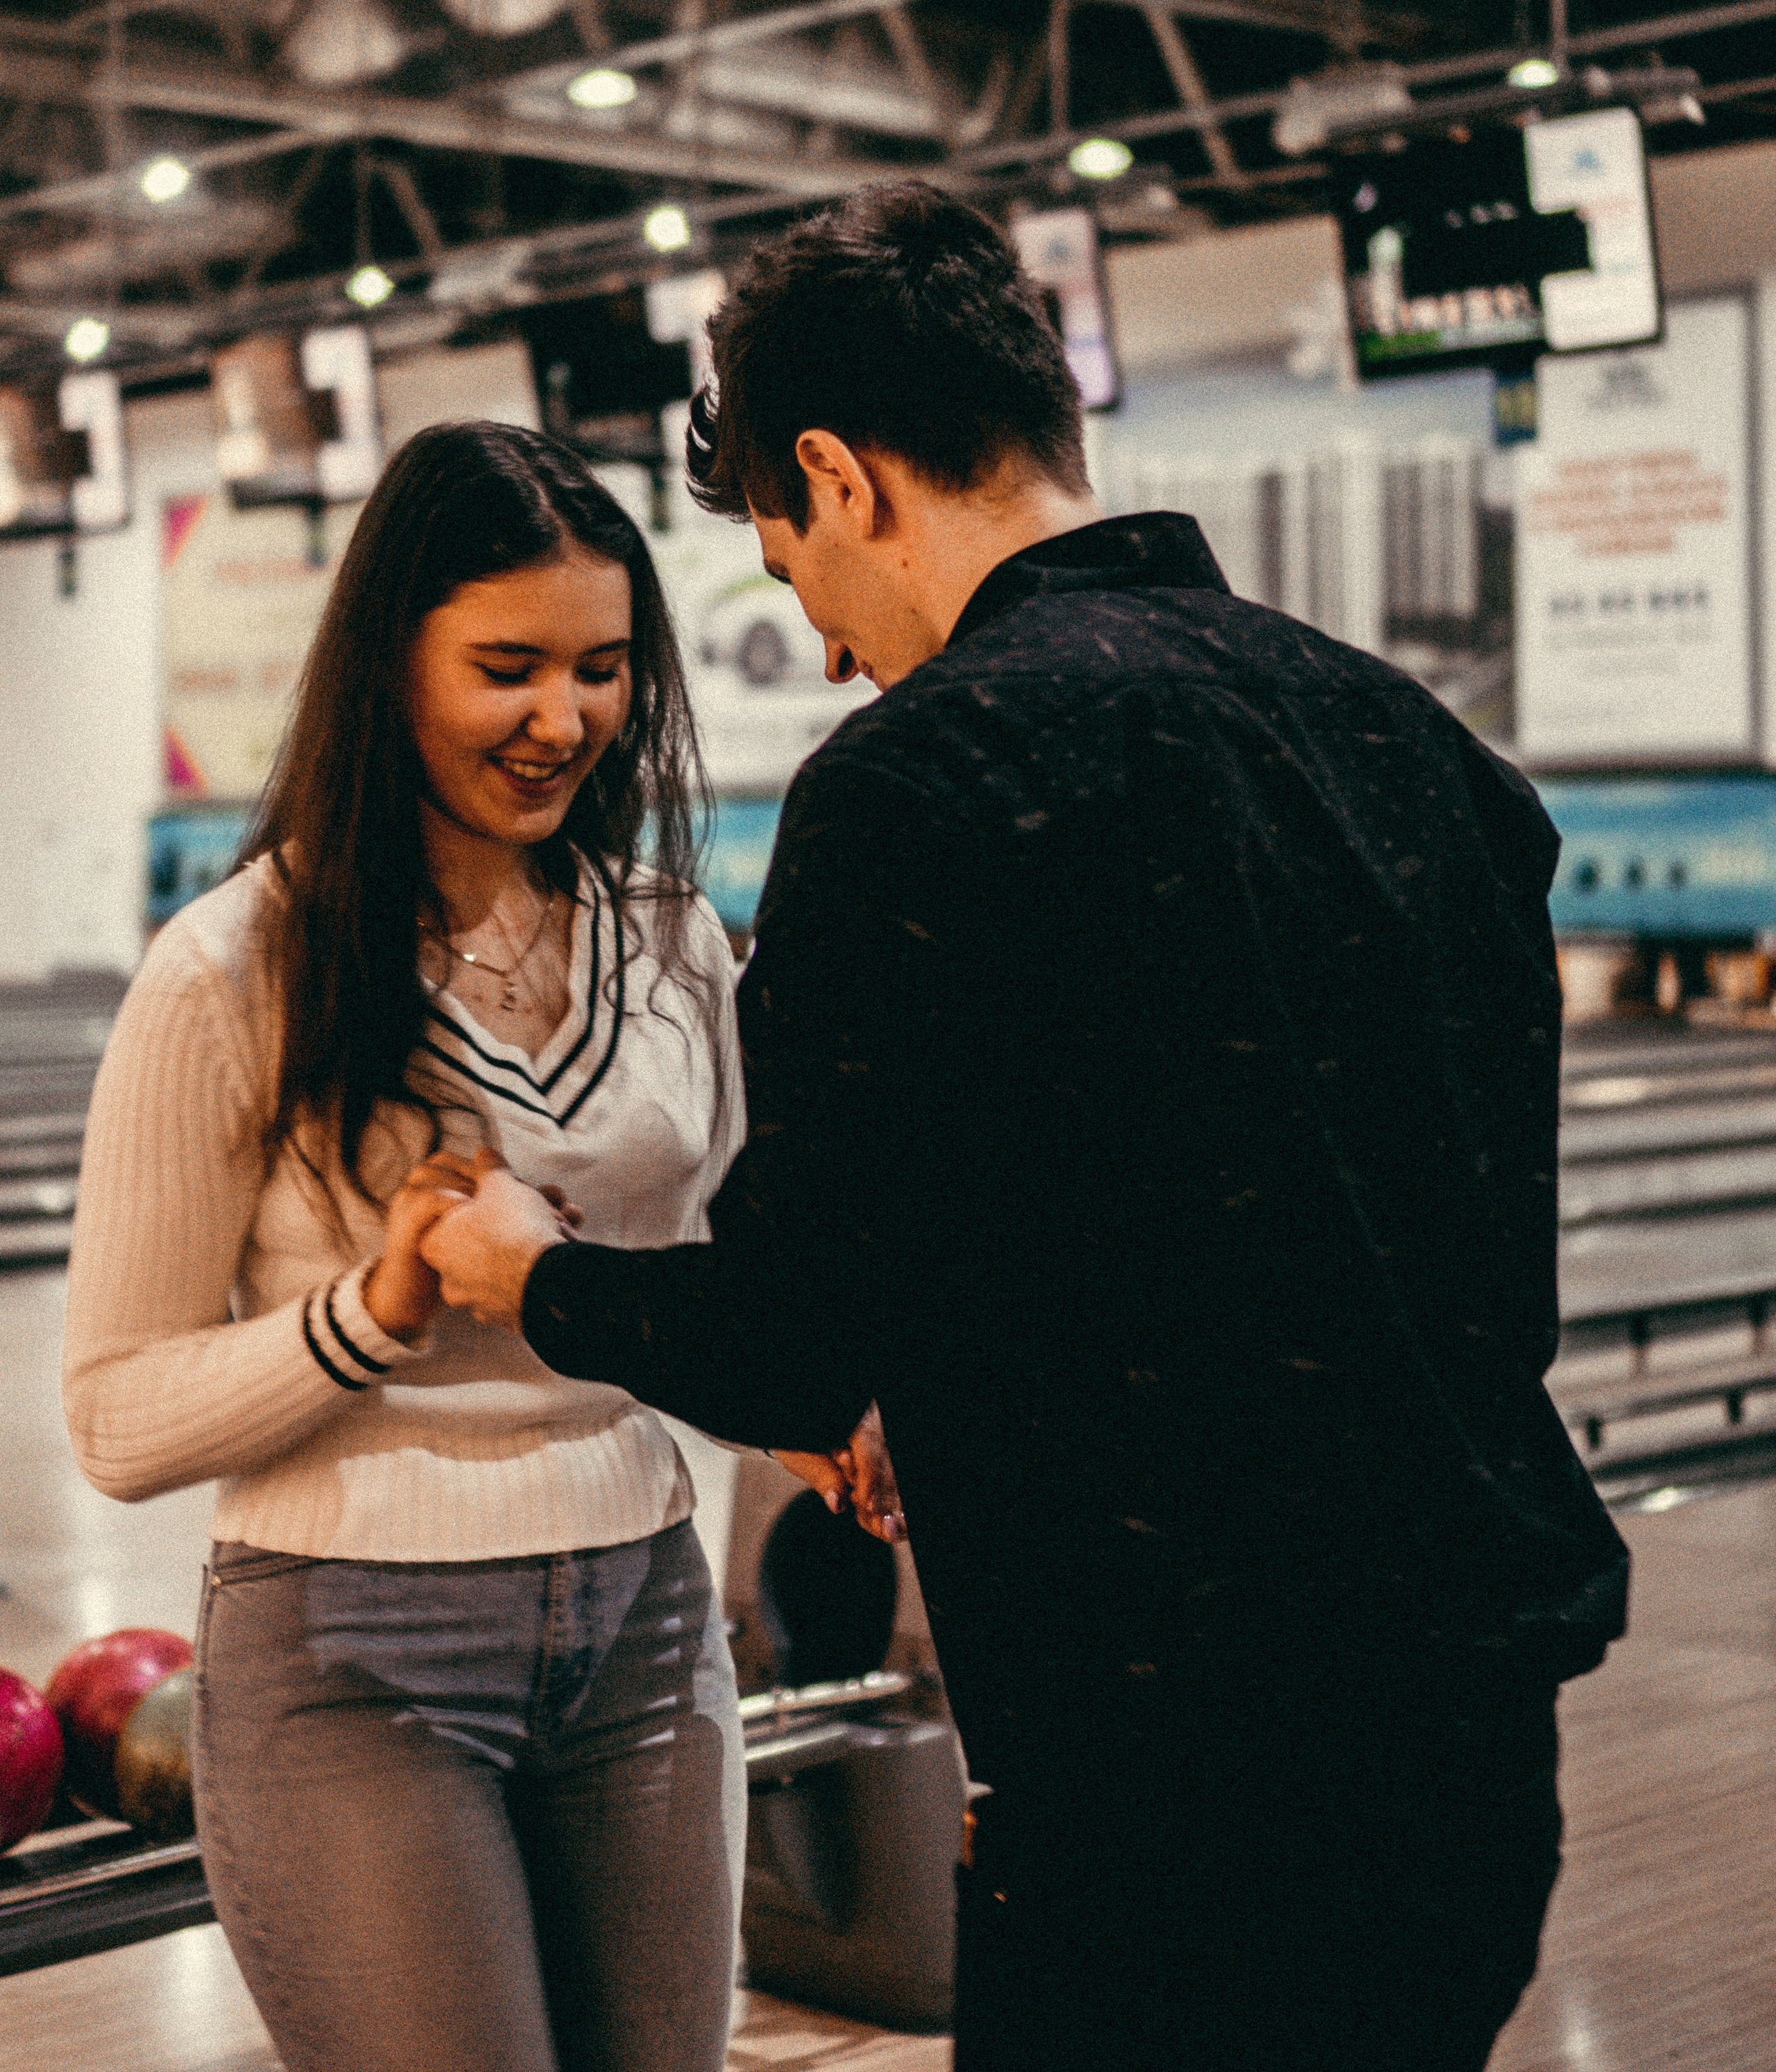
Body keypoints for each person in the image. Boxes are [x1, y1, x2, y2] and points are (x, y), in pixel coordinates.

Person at [418, 188, 1630, 2072]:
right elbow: (1359, 1258)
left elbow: (791, 1337)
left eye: (788, 565)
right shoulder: (1418, 744)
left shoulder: (921, 783)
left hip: (1172, 1806)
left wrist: (531, 1271)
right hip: (1475, 1764)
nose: (822, 648)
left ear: (838, 475)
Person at [64, 421, 758, 2072]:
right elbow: (113, 1416)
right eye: (505, 668)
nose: (563, 719)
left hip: (648, 1619)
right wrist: (368, 1312)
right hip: (350, 1652)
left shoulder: (669, 943)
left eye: (601, 669)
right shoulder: (232, 968)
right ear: (387, 663)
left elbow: (726, 1273)